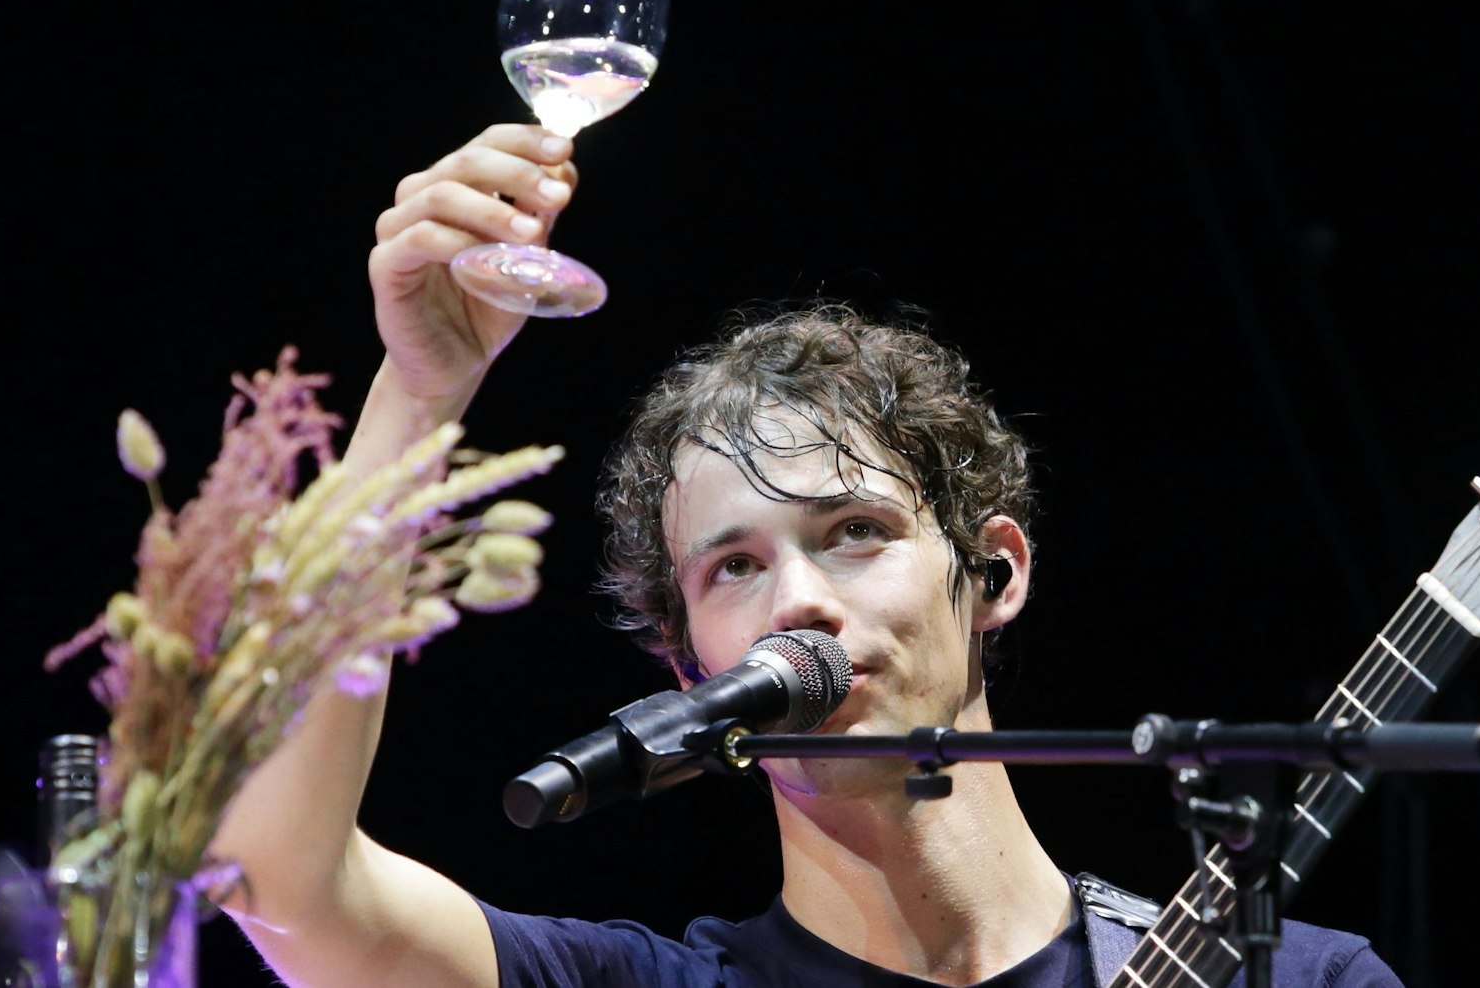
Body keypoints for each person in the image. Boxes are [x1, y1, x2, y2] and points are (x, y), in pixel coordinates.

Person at [210, 123, 1403, 987]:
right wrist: (420, 395)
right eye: (731, 567)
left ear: (994, 570)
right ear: (690, 674)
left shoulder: (1290, 975)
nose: (799, 600)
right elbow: (276, 877)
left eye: (854, 532)